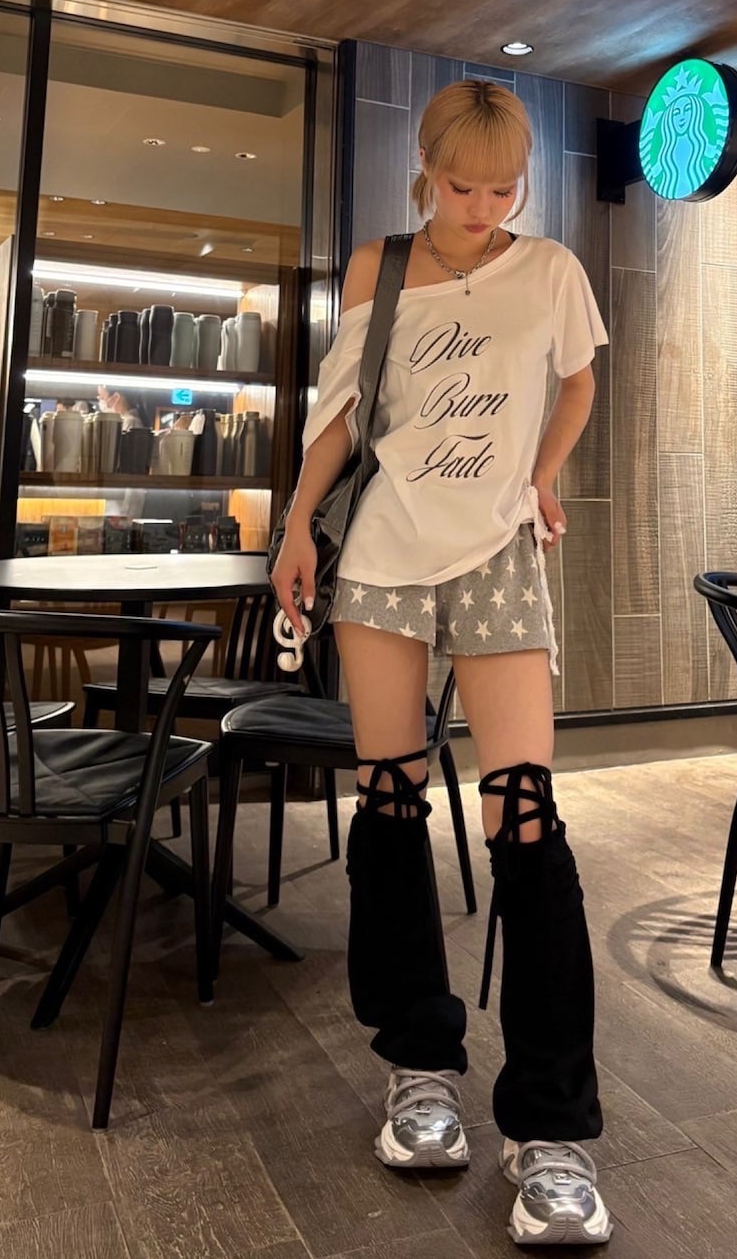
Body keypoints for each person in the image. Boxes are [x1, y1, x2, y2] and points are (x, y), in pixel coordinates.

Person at [271, 78, 612, 1247]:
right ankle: (418, 1069)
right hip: (382, 555)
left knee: (528, 817)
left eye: (502, 188)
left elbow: (578, 381)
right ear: (426, 169)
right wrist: (294, 526)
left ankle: (551, 1125)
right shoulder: (378, 266)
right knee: (389, 801)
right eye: (461, 185)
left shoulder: (550, 270)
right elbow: (341, 411)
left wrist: (540, 477)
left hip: (497, 552)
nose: (481, 206)